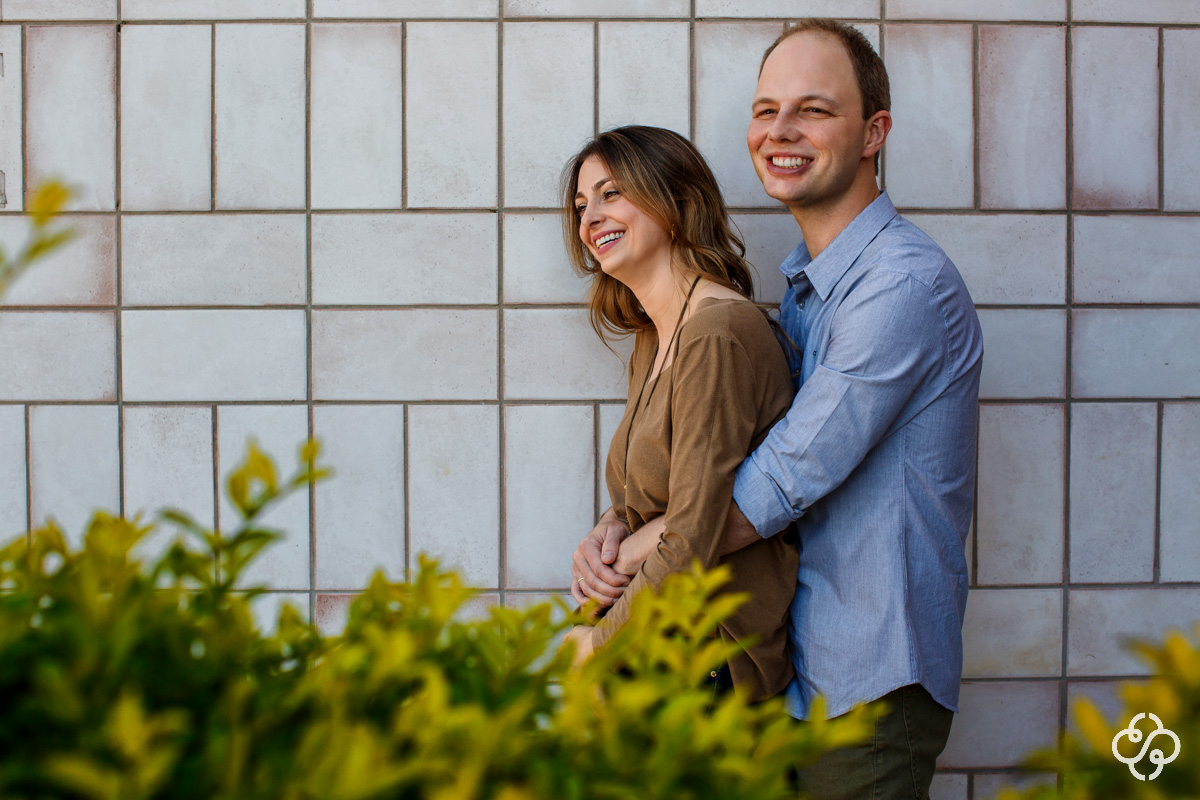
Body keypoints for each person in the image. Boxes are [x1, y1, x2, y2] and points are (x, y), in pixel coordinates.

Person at [572, 19, 983, 799]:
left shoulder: (901, 288)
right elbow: (716, 463)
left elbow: (776, 484)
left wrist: (626, 562)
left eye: (814, 110)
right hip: (791, 674)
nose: (781, 131)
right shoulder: (802, 294)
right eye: (765, 111)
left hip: (868, 681)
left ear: (874, 132)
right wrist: (617, 524)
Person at [559, 125, 799, 703]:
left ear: (676, 201)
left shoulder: (717, 334)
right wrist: (611, 526)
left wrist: (597, 649)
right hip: (661, 644)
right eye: (582, 204)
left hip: (708, 659)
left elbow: (693, 534)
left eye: (612, 192)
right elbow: (658, 495)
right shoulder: (655, 336)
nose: (591, 216)